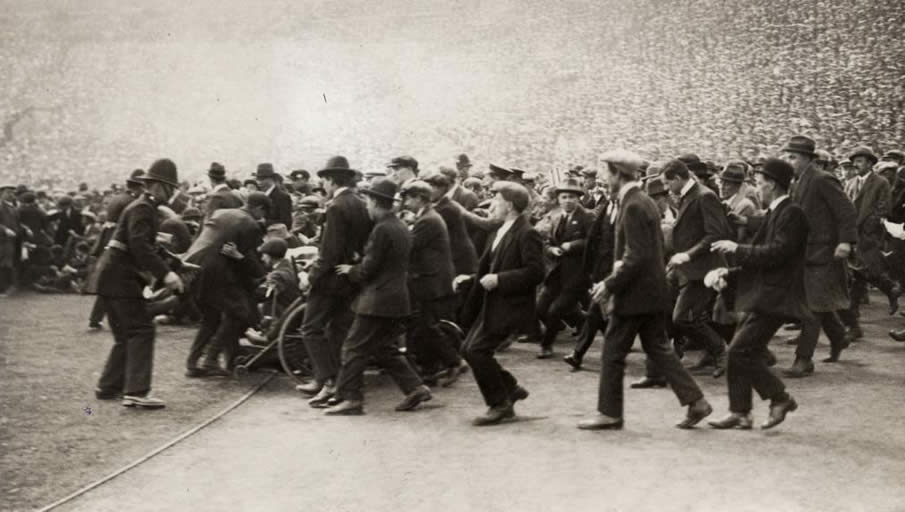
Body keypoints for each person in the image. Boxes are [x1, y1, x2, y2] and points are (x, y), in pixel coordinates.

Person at [577, 150, 711, 431]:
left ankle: (609, 413)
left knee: (612, 353)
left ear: (616, 173)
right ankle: (696, 401)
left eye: (605, 172)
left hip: (635, 295)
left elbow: (635, 255)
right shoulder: (642, 201)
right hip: (650, 292)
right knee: (660, 349)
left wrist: (609, 283)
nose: (603, 178)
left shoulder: (633, 204)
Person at [707, 158, 807, 430]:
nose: (758, 189)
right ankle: (740, 411)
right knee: (739, 351)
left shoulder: (791, 213)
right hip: (764, 294)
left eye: (761, 184)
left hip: (776, 297)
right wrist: (730, 274)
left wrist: (736, 249)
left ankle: (779, 398)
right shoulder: (776, 212)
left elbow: (777, 253)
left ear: (772, 185)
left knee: (740, 351)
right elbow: (762, 256)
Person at [324, 178, 432, 415]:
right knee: (384, 347)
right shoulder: (400, 226)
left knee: (352, 348)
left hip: (378, 300)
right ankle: (415, 388)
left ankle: (351, 399)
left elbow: (368, 269)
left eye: (367, 202)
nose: (366, 207)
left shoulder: (382, 229)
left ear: (374, 201)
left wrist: (350, 270)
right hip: (397, 299)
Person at [87, 158, 185, 409]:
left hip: (110, 277)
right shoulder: (144, 209)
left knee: (125, 334)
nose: (173, 193)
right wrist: (167, 275)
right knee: (141, 329)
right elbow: (140, 246)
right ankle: (137, 392)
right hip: (121, 278)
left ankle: (108, 387)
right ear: (158, 187)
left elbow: (147, 245)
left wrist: (178, 265)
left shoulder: (140, 207)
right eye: (170, 188)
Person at [457, 181, 544, 426]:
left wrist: (500, 280)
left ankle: (500, 404)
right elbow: (492, 266)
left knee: (476, 350)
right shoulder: (500, 230)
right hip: (493, 303)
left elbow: (536, 272)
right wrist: (472, 279)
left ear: (509, 205)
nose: (492, 205)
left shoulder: (527, 232)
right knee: (468, 349)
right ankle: (510, 388)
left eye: (496, 200)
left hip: (510, 305)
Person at [778, 136, 857, 377]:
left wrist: (845, 241)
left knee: (812, 306)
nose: (788, 161)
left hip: (825, 252)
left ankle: (804, 359)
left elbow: (846, 211)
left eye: (793, 157)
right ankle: (839, 336)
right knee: (818, 302)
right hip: (807, 253)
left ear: (808, 159)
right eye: (787, 156)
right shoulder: (798, 182)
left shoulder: (822, 180)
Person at [298, 156, 372, 406]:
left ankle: (327, 381)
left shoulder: (336, 206)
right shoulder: (360, 203)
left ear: (330, 179)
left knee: (310, 328)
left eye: (324, 181)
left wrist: (311, 276)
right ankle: (335, 381)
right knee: (338, 331)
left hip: (330, 281)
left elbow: (329, 251)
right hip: (350, 278)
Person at [183, 192, 270, 377]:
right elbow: (247, 259)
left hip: (194, 266)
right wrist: (262, 275)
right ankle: (210, 360)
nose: (263, 218)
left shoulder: (220, 213)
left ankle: (192, 362)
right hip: (217, 272)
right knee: (238, 312)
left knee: (211, 317)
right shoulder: (250, 224)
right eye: (264, 213)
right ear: (259, 208)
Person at [662, 158, 732, 377]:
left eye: (668, 183)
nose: (667, 188)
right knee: (680, 313)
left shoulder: (704, 196)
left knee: (683, 317)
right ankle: (683, 352)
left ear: (677, 178)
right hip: (687, 269)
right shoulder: (690, 195)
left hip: (703, 270)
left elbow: (715, 233)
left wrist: (687, 254)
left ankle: (721, 352)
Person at [399, 180, 468, 386]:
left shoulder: (428, 221)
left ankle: (455, 361)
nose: (405, 202)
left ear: (420, 198)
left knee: (425, 326)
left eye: (408, 198)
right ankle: (430, 369)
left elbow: (408, 246)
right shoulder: (427, 217)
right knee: (422, 325)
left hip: (430, 282)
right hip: (430, 280)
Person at [841, 146, 900, 327]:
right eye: (854, 161)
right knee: (859, 273)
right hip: (853, 234)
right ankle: (889, 290)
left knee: (863, 272)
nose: (855, 165)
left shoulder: (880, 182)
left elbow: (884, 208)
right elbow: (845, 208)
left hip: (869, 235)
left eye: (859, 161)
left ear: (869, 163)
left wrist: (868, 228)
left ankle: (854, 318)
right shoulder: (850, 183)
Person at [536, 178, 593, 359]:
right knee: (540, 308)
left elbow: (593, 242)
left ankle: (547, 345)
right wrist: (551, 249)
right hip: (556, 272)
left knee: (555, 311)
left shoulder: (587, 217)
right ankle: (582, 320)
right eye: (564, 197)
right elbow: (546, 242)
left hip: (577, 275)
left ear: (579, 199)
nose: (568, 200)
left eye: (572, 197)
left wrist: (572, 245)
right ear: (558, 199)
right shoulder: (555, 217)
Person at [256, 163, 293, 228]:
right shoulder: (258, 195)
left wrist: (266, 222)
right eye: (258, 179)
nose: (259, 182)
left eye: (263, 179)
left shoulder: (282, 197)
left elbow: (286, 222)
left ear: (271, 179)